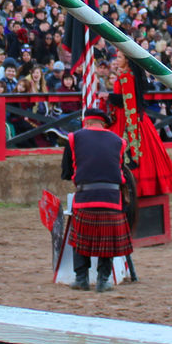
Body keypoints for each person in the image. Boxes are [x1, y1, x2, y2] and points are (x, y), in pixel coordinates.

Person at [59, 107, 133, 293]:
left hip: (86, 198)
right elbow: (122, 170)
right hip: (112, 200)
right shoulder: (119, 141)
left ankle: (81, 279)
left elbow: (67, 173)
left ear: (87, 121)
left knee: (79, 240)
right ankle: (103, 280)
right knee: (106, 242)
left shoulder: (74, 138)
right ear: (104, 123)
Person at [107, 51, 172, 198]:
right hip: (134, 117)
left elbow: (127, 101)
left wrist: (108, 96)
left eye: (120, 57)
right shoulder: (129, 75)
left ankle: (134, 188)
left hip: (128, 119)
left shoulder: (126, 76)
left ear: (128, 61)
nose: (117, 60)